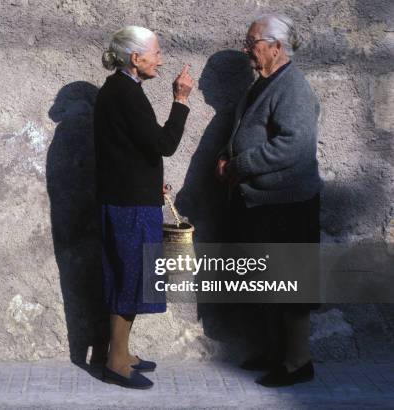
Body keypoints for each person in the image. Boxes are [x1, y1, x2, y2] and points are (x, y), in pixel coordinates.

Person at [215, 14, 322, 387]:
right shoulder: (261, 85)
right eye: (247, 43)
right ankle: (274, 352)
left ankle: (297, 362)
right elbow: (246, 130)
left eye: (252, 43)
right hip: (259, 202)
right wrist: (226, 157)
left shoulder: (293, 87)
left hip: (286, 205)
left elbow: (294, 144)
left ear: (277, 47)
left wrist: (239, 164)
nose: (247, 49)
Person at [94, 25, 194, 389]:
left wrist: (150, 181)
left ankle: (120, 352)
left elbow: (129, 151)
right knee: (130, 279)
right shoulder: (126, 94)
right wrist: (181, 100)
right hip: (130, 207)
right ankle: (116, 361)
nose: (161, 60)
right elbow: (164, 143)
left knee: (127, 277)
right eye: (156, 53)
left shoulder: (118, 91)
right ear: (136, 59)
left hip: (127, 198)